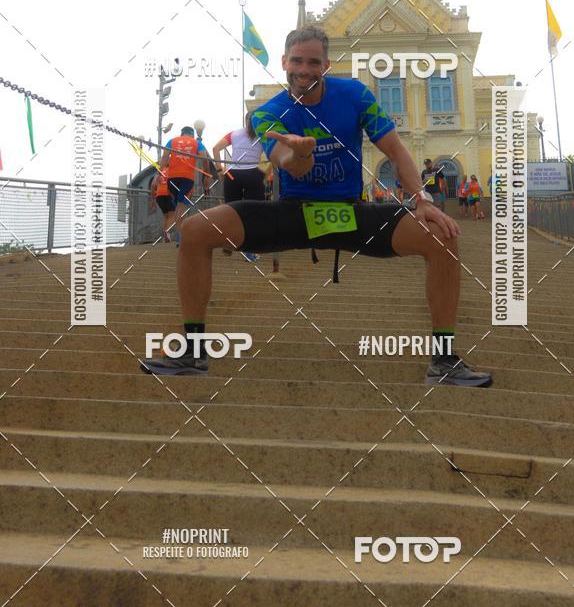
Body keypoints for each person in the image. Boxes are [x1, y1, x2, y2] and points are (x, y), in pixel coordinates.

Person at [141, 25, 492, 388]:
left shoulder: (355, 94)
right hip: (294, 213)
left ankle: (445, 359)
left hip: (350, 212)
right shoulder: (268, 114)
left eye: (313, 62)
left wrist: (423, 201)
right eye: (296, 61)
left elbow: (396, 150)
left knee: (442, 235)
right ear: (283, 63)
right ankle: (193, 351)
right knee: (195, 230)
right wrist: (300, 154)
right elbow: (290, 164)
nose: (304, 69)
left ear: (325, 66)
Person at [212, 112, 266, 262]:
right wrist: (267, 173)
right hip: (253, 173)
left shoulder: (234, 134)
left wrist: (219, 169)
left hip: (232, 174)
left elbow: (215, 148)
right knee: (254, 212)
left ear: (245, 120)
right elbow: (274, 154)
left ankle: (228, 243)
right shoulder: (263, 134)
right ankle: (250, 250)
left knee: (231, 210)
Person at [160, 125, 211, 239]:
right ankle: (180, 237)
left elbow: (164, 157)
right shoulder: (196, 143)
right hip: (187, 178)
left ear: (181, 134)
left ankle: (177, 234)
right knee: (181, 206)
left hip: (172, 178)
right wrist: (206, 175)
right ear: (192, 134)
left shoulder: (171, 141)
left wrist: (159, 173)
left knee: (177, 205)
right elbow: (205, 159)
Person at [150, 170, 175, 242]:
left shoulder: (158, 172)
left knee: (166, 216)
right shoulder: (172, 171)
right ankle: (167, 231)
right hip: (168, 194)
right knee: (172, 215)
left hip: (159, 195)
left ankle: (166, 235)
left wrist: (153, 199)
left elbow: (152, 185)